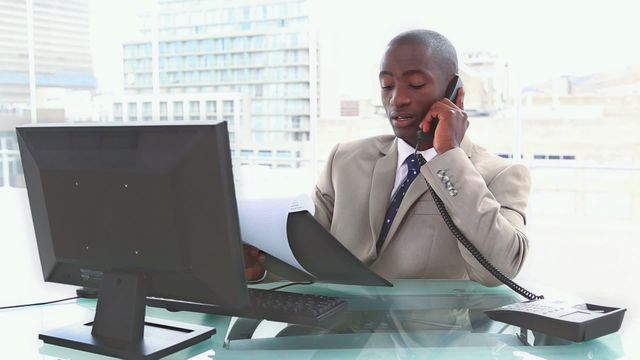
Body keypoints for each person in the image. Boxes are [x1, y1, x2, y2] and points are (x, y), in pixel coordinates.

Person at [245, 29, 530, 286]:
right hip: (337, 335)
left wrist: (449, 156)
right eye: (387, 85)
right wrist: (259, 268)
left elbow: (498, 270)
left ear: (455, 93)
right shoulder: (344, 160)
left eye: (416, 84)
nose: (397, 100)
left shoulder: (500, 174)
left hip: (429, 341)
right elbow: (308, 258)